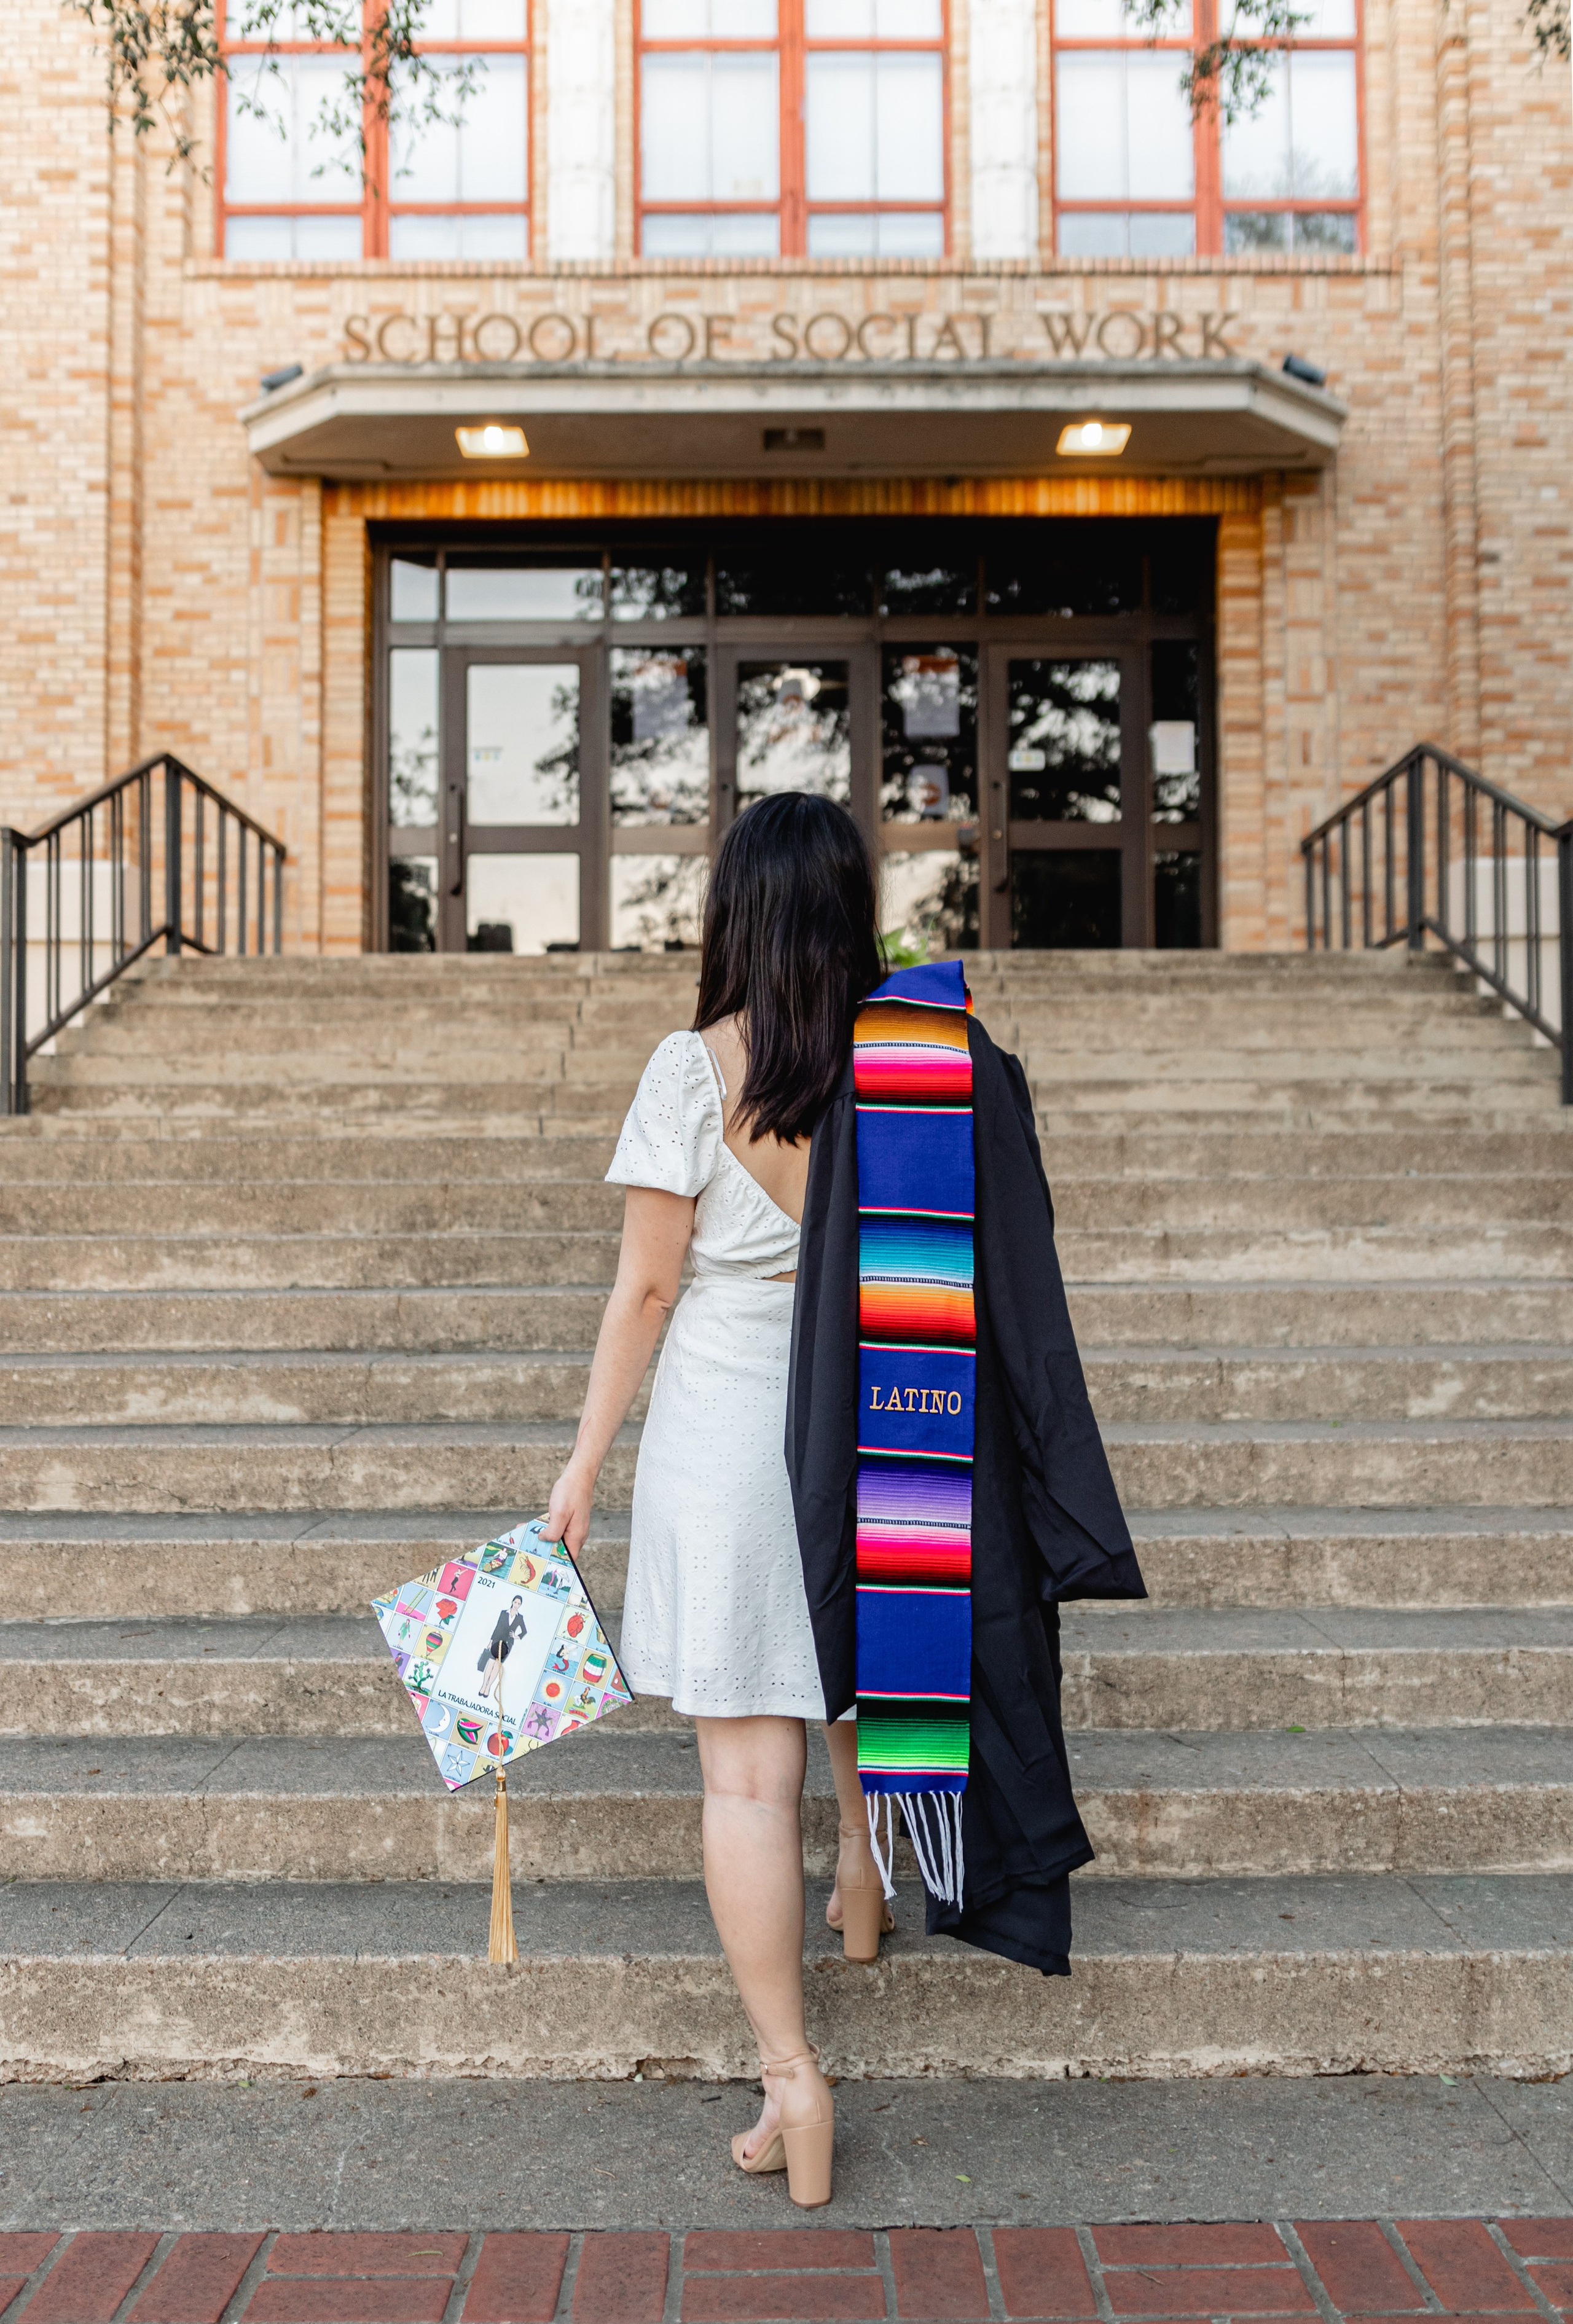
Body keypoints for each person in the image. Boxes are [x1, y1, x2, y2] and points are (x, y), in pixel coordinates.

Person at [544, 792, 1142, 2210]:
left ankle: (791, 2077)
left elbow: (643, 1287)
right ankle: (864, 1883)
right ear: (850, 906)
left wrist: (576, 1473)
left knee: (746, 1773)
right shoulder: (923, 1064)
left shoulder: (692, 1073)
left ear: (736, 912)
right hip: (889, 1435)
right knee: (870, 1657)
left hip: (728, 1442)